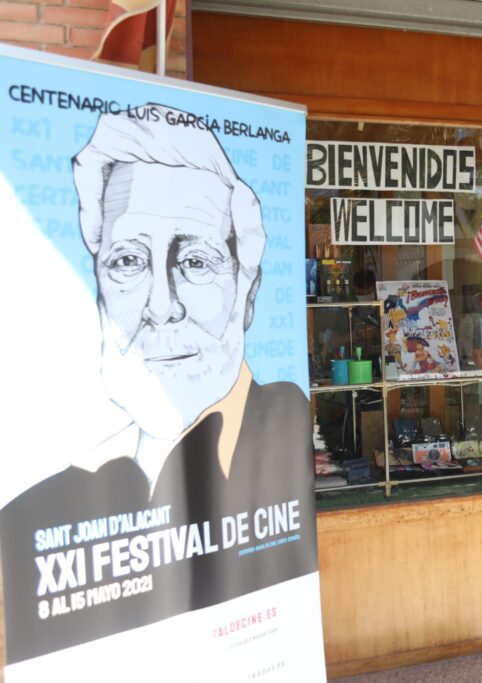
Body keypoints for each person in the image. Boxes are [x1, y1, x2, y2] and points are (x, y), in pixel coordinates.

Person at [0, 104, 317, 663]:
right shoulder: (33, 511)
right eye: (126, 260)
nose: (161, 306)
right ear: (96, 284)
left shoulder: (284, 436)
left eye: (195, 261)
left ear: (248, 291)